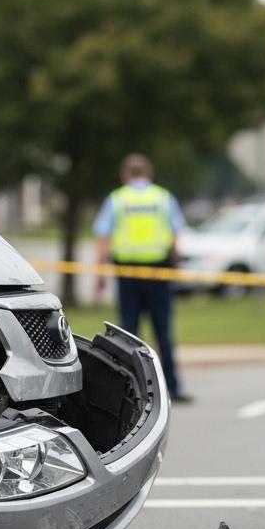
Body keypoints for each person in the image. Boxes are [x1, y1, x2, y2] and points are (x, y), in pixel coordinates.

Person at [93, 153, 192, 403]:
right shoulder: (162, 197)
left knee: (128, 334)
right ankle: (173, 388)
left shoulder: (117, 199)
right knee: (163, 332)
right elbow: (175, 236)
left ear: (125, 175)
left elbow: (103, 237)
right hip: (158, 272)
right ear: (149, 174)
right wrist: (175, 264)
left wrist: (100, 273)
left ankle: (130, 393)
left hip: (127, 274)